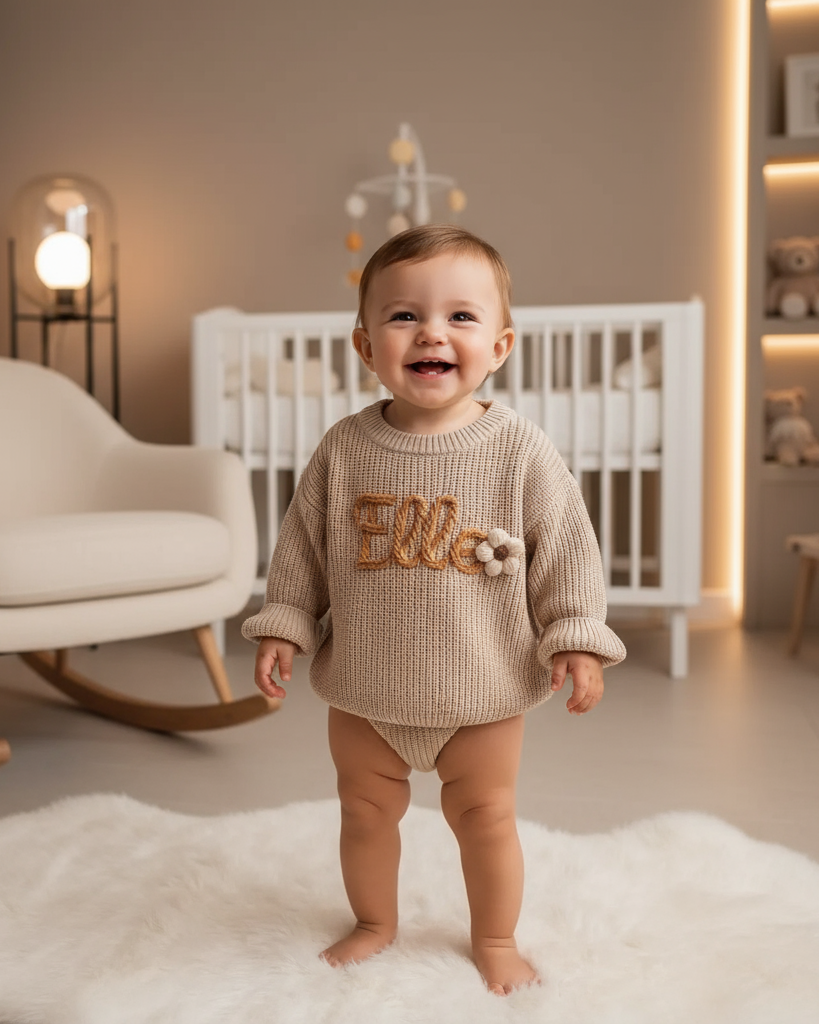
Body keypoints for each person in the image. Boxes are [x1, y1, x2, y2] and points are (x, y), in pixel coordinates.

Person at [241, 224, 626, 996]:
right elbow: (303, 547)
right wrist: (285, 620)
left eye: (460, 317)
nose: (431, 333)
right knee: (363, 812)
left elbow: (567, 549)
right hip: (366, 690)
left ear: (500, 345)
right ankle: (374, 922)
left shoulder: (519, 450)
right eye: (404, 316)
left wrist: (575, 634)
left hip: (482, 691)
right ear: (365, 345)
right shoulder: (343, 449)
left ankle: (494, 937)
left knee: (486, 817)